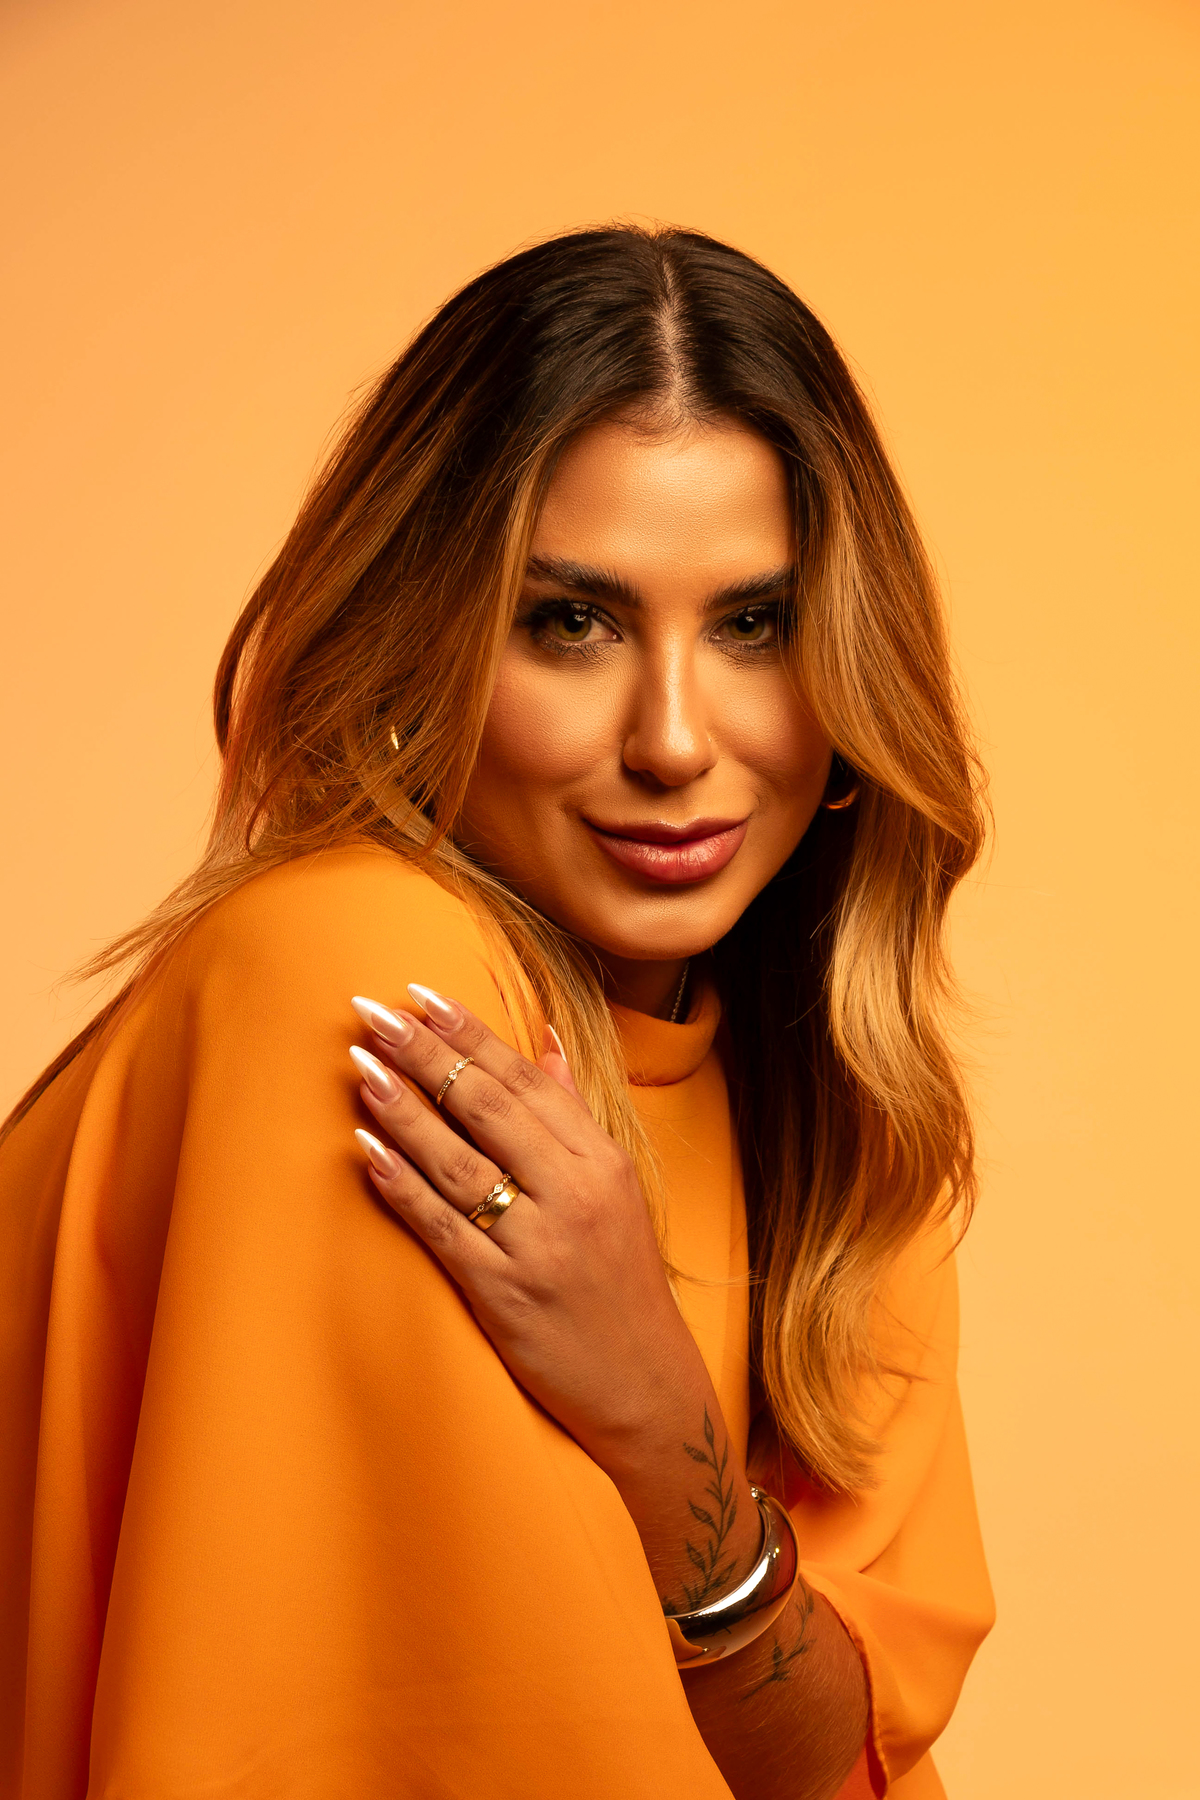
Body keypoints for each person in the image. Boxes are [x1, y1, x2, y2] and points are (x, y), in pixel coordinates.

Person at [0, 225, 994, 1800]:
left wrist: (654, 1412)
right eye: (571, 623)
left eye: (753, 625)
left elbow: (830, 1763)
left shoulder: (845, 1139)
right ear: (432, 638)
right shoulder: (356, 972)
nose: (675, 741)